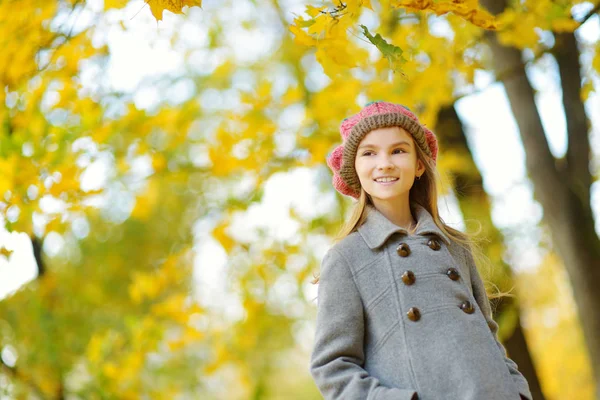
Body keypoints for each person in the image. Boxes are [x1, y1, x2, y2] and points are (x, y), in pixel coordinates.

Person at [309, 101, 533, 400]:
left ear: (418, 164)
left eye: (398, 150)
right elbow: (332, 367)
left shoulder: (455, 247)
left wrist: (518, 391)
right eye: (369, 153)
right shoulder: (347, 258)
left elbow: (488, 338)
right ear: (355, 168)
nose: (385, 162)